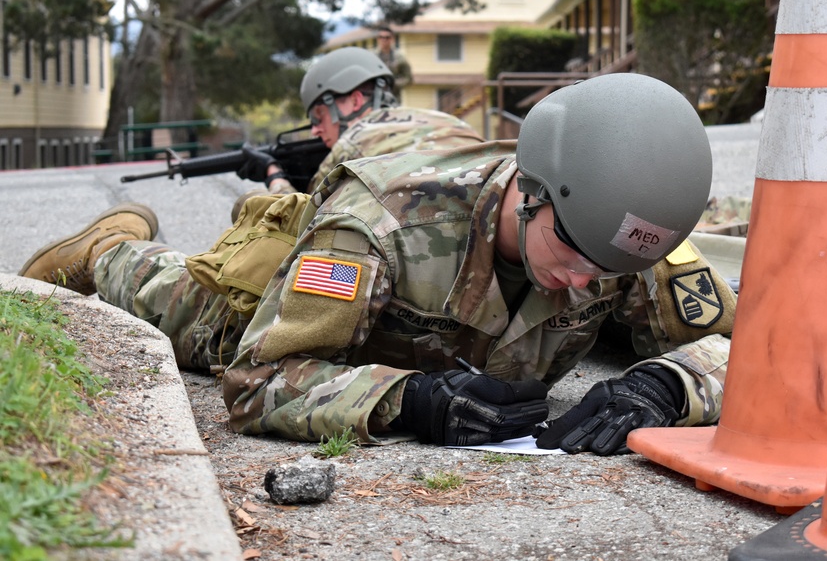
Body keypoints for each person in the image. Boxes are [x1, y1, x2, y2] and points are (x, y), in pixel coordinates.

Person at [20, 73, 734, 456]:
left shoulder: (619, 229)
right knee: (206, 318)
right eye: (577, 255)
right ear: (536, 191)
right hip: (346, 235)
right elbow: (257, 381)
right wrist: (407, 400)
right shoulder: (377, 228)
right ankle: (107, 245)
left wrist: (671, 385)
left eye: (610, 271)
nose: (590, 281)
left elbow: (758, 346)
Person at [237, 46, 474, 198]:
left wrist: (274, 175)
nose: (315, 129)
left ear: (355, 100)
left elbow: (298, 222)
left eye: (319, 116)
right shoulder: (452, 122)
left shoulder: (353, 144)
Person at [373, 26, 412, 90]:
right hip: (374, 94)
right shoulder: (372, 56)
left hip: (393, 95)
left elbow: (408, 78)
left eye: (387, 37)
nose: (384, 40)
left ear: (392, 39)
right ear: (377, 39)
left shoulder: (400, 57)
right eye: (381, 37)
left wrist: (393, 83)